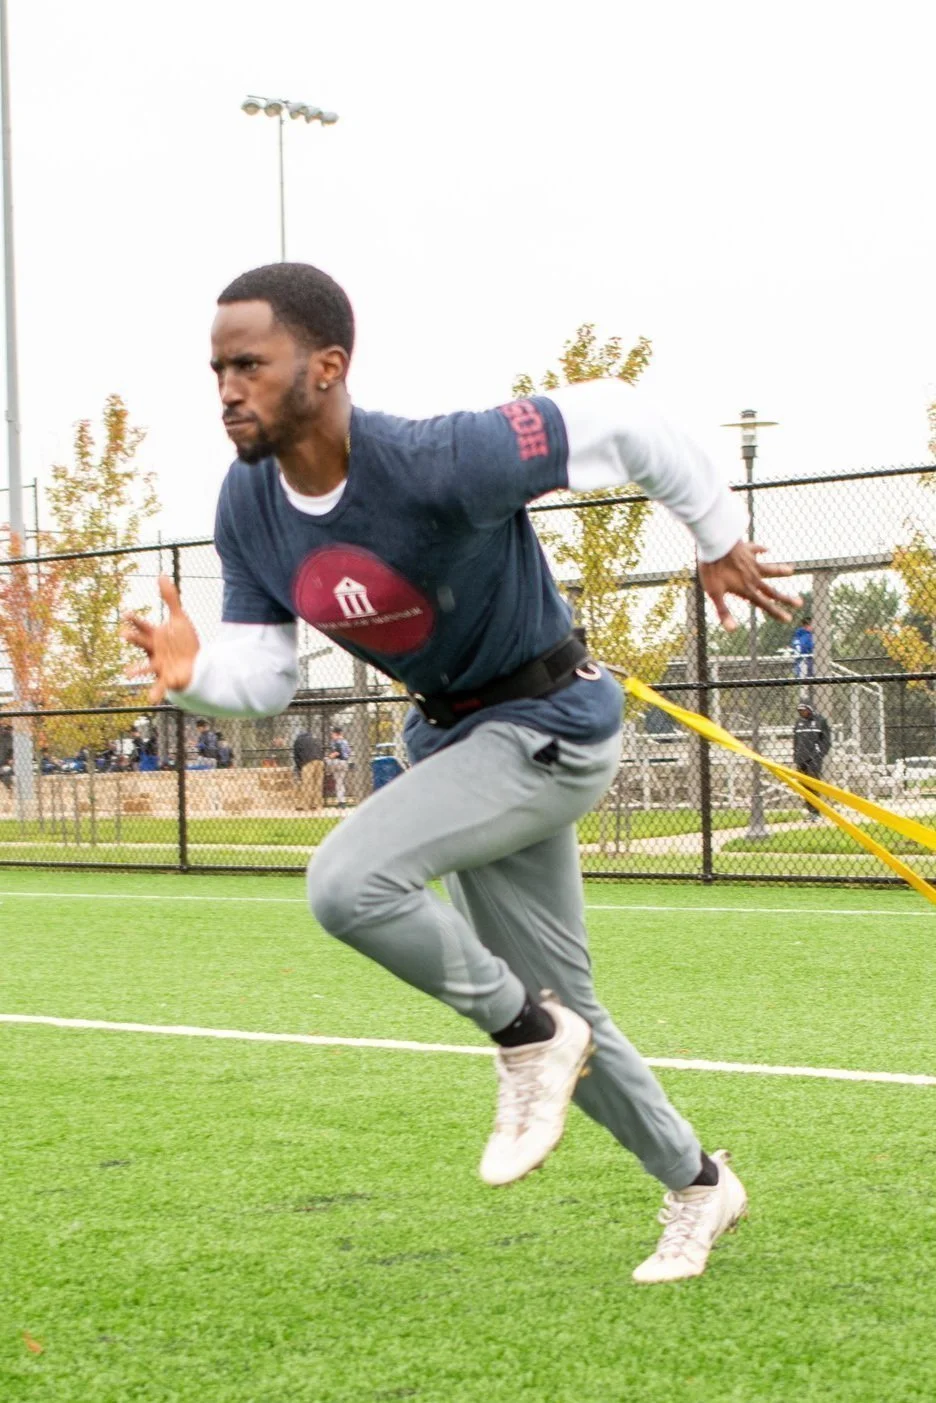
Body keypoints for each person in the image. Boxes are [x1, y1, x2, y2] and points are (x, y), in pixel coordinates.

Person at [123, 262, 799, 1284]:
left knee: (349, 883)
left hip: (551, 724)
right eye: (217, 369)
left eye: (249, 364)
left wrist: (717, 537)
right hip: (454, 742)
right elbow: (263, 678)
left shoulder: (441, 459)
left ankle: (523, 1035)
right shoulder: (248, 504)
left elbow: (621, 417)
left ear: (326, 366)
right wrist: (194, 677)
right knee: (566, 1009)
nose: (227, 389)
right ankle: (698, 1181)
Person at [793, 700, 831, 817]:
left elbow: (826, 741)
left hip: (814, 758)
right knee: (804, 786)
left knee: (813, 785)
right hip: (801, 758)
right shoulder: (799, 722)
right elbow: (796, 741)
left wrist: (819, 754)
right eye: (799, 711)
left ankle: (815, 812)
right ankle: (810, 810)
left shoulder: (820, 721)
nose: (802, 712)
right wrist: (796, 755)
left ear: (810, 709)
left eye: (804, 710)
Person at [292, 728, 325, 811]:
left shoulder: (298, 740)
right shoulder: (316, 738)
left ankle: (306, 806)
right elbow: (321, 751)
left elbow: (296, 755)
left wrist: (299, 767)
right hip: (320, 761)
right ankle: (317, 805)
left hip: (307, 762)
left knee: (307, 784)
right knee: (318, 784)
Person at [326, 725, 352, 807]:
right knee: (340, 782)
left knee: (339, 783)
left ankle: (341, 802)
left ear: (336, 733)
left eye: (332, 733)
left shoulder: (337, 741)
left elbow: (337, 753)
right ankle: (342, 801)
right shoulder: (345, 741)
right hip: (344, 762)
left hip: (338, 762)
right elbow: (349, 752)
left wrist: (328, 757)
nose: (331, 735)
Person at [0, 719, 13, 791]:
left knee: (5, 771)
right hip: (4, 759)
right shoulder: (6, 733)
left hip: (4, 759)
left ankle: (9, 787)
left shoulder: (6, 733)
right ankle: (9, 787)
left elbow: (10, 748)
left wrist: (10, 757)